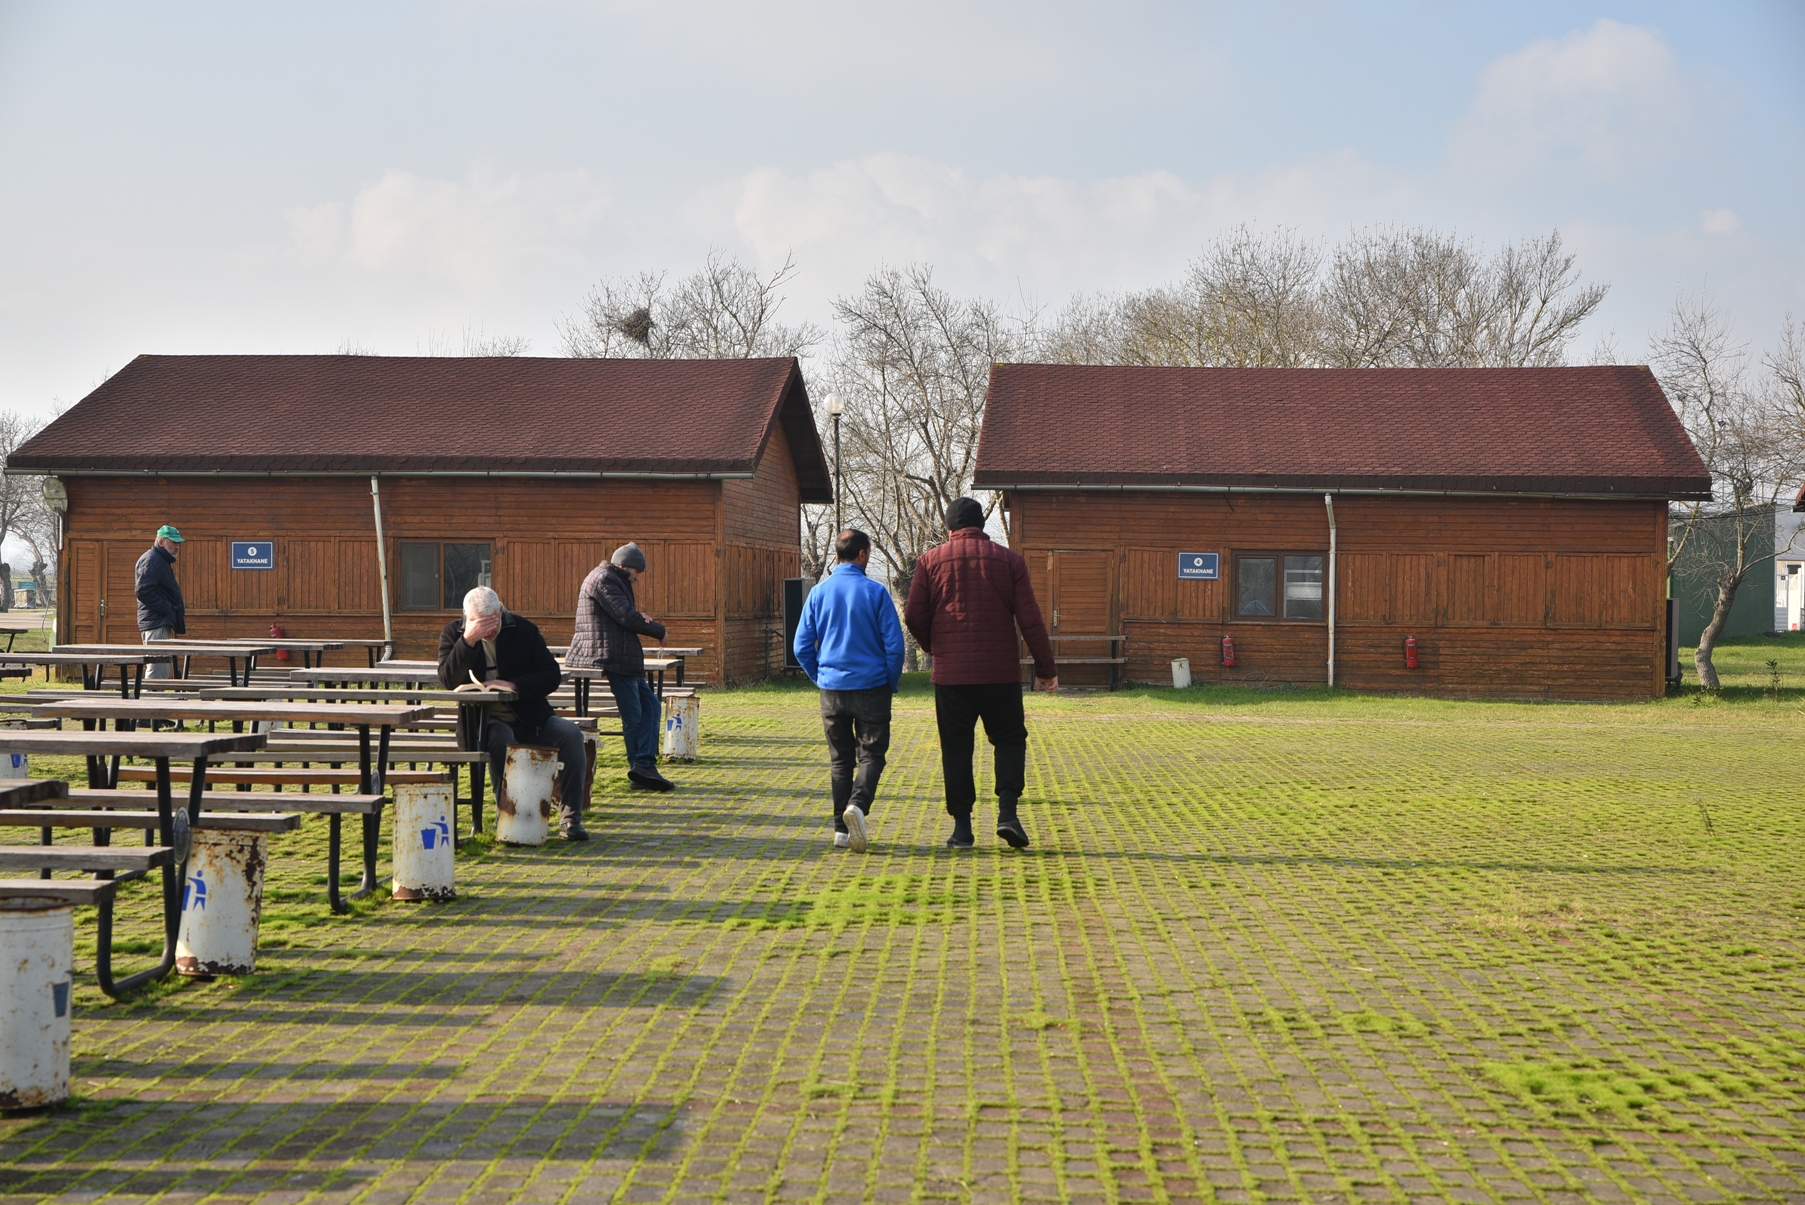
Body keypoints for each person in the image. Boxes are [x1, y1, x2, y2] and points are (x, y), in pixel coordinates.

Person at [904, 497, 1058, 849]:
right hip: (1000, 673)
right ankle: (1007, 814)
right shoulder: (1010, 561)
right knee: (1009, 739)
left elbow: (913, 615)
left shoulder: (929, 561)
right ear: (982, 525)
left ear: (949, 529)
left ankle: (962, 829)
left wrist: (933, 647)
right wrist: (1046, 670)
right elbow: (1030, 619)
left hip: (951, 677)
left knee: (956, 748)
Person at [438, 586, 590, 841]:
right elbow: (447, 679)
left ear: (500, 610)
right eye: (478, 623)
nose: (487, 631)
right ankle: (508, 818)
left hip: (530, 717)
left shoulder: (524, 630)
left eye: (491, 622)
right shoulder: (453, 634)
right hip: (483, 724)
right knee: (503, 739)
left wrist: (515, 685)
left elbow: (551, 675)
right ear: (466, 617)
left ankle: (571, 820)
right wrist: (468, 641)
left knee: (571, 734)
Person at [793, 529, 905, 853]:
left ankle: (841, 832)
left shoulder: (818, 592)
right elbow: (895, 646)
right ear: (862, 554)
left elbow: (801, 646)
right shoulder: (876, 592)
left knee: (840, 761)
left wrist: (820, 676)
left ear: (836, 554)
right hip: (872, 687)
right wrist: (890, 682)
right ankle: (857, 805)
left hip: (832, 689)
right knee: (871, 755)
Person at [567, 542, 674, 792]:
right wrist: (658, 630)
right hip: (611, 655)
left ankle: (643, 765)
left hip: (620, 655)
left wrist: (639, 615)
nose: (638, 578)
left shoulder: (610, 579)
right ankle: (640, 768)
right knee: (634, 716)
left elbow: (621, 614)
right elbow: (625, 616)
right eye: (637, 573)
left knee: (651, 706)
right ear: (625, 566)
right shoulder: (605, 579)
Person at [134, 524, 186, 680]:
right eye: (174, 542)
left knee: (160, 666)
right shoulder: (153, 560)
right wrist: (167, 608)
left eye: (179, 543)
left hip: (158, 621)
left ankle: (153, 694)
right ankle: (151, 696)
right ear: (161, 541)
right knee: (157, 668)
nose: (178, 546)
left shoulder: (159, 559)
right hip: (156, 621)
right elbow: (143, 591)